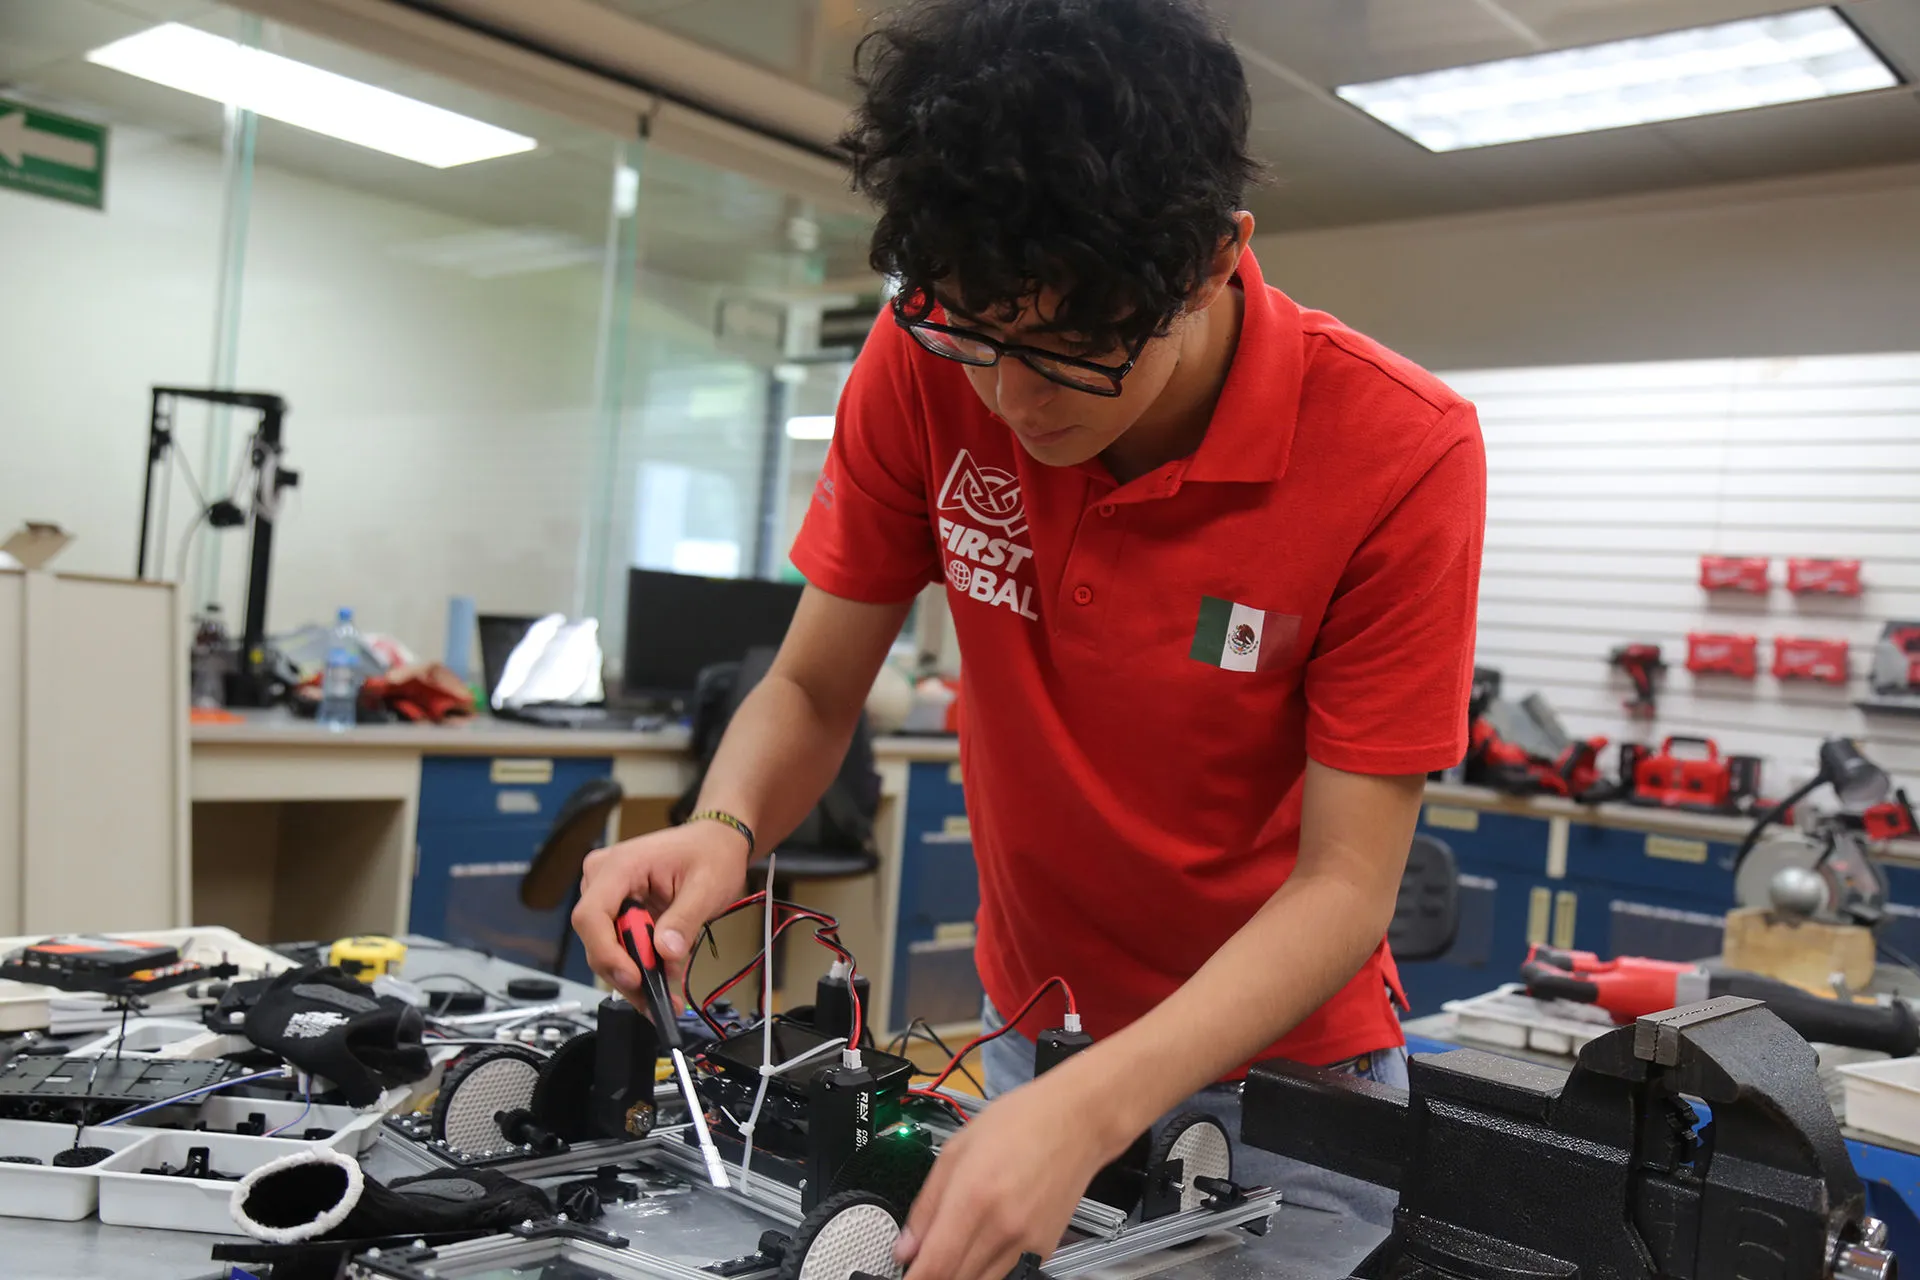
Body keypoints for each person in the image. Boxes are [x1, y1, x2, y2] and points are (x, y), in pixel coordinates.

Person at [574, 1, 1486, 1276]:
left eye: (1074, 353)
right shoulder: (923, 353)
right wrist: (722, 829)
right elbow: (816, 680)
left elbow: (1345, 886)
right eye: (979, 337)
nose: (1012, 399)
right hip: (1037, 1037)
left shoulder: (1400, 449)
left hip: (1293, 1094)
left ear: (1218, 259)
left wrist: (1098, 1100)